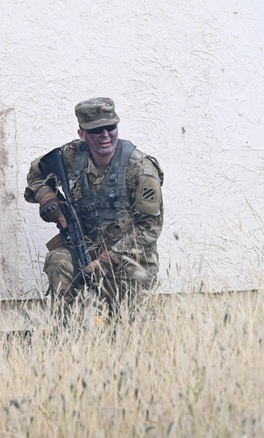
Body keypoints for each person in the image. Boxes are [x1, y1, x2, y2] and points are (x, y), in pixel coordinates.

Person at [24, 97, 164, 311]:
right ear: (82, 134)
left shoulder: (140, 167)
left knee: (131, 328)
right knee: (59, 261)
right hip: (84, 245)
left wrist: (108, 259)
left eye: (110, 128)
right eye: (96, 131)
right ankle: (67, 335)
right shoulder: (70, 156)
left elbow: (150, 228)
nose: (105, 136)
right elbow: (36, 173)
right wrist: (47, 196)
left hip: (129, 256)